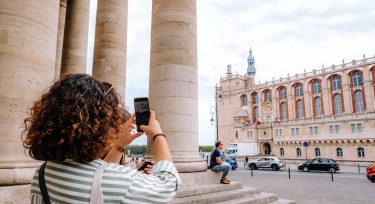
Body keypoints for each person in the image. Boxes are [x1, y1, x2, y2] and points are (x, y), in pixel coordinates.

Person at [22, 74, 181, 203]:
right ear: (99, 126)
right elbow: (168, 185)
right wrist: (158, 135)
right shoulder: (120, 181)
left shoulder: (41, 173)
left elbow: (98, 175)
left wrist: (119, 145)